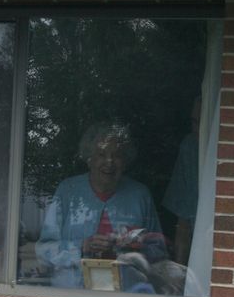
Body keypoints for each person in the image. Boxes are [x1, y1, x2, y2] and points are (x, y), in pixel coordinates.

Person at [36, 121, 162, 288]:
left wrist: (132, 246)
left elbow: (159, 250)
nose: (109, 161)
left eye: (117, 155)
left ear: (125, 161)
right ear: (89, 159)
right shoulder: (68, 191)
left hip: (128, 295)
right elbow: (44, 250)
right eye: (101, 154)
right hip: (71, 296)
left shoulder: (140, 195)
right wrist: (81, 247)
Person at [162, 96, 201, 265]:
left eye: (202, 123)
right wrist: (179, 272)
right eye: (194, 122)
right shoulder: (190, 147)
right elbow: (183, 224)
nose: (197, 130)